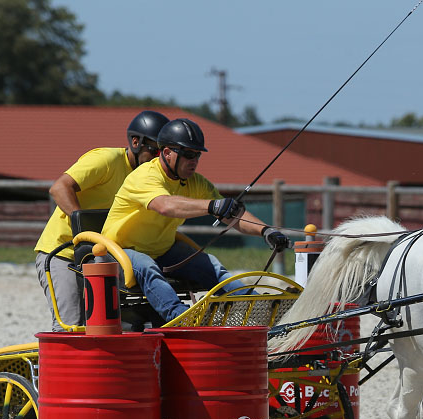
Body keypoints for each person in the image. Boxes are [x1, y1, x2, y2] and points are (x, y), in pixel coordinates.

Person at [101, 117, 289, 323]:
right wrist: (211, 206)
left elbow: (233, 214)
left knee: (212, 266)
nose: (194, 161)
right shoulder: (145, 176)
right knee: (147, 266)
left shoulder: (195, 182)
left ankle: (257, 307)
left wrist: (266, 231)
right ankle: (182, 318)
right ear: (167, 153)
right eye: (188, 154)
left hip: (162, 251)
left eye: (197, 155)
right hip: (119, 253)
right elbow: (165, 205)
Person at [34, 110, 170, 330]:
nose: (157, 159)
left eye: (162, 154)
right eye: (153, 151)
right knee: (72, 327)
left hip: (101, 256)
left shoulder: (152, 177)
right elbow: (59, 188)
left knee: (110, 324)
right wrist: (85, 230)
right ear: (135, 142)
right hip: (63, 253)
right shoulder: (106, 160)